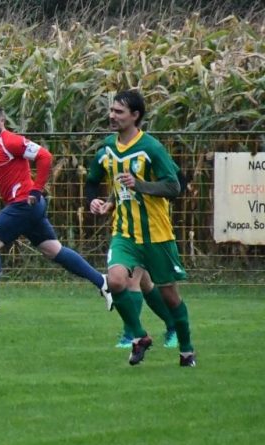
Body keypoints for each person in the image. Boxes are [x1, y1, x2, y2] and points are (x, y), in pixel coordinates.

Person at [0, 103, 113, 317]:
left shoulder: (11, 140)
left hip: (24, 204)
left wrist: (37, 189)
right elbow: (1, 171)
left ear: (1, 121)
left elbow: (45, 156)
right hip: (28, 206)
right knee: (53, 250)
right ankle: (102, 281)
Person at [85, 89, 196, 367]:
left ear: (135, 116)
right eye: (111, 110)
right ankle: (139, 335)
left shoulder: (151, 148)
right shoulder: (107, 148)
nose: (112, 115)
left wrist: (140, 185)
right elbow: (94, 180)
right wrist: (98, 202)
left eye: (118, 112)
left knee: (170, 296)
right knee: (115, 281)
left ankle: (186, 350)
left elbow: (174, 186)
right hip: (124, 233)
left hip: (157, 235)